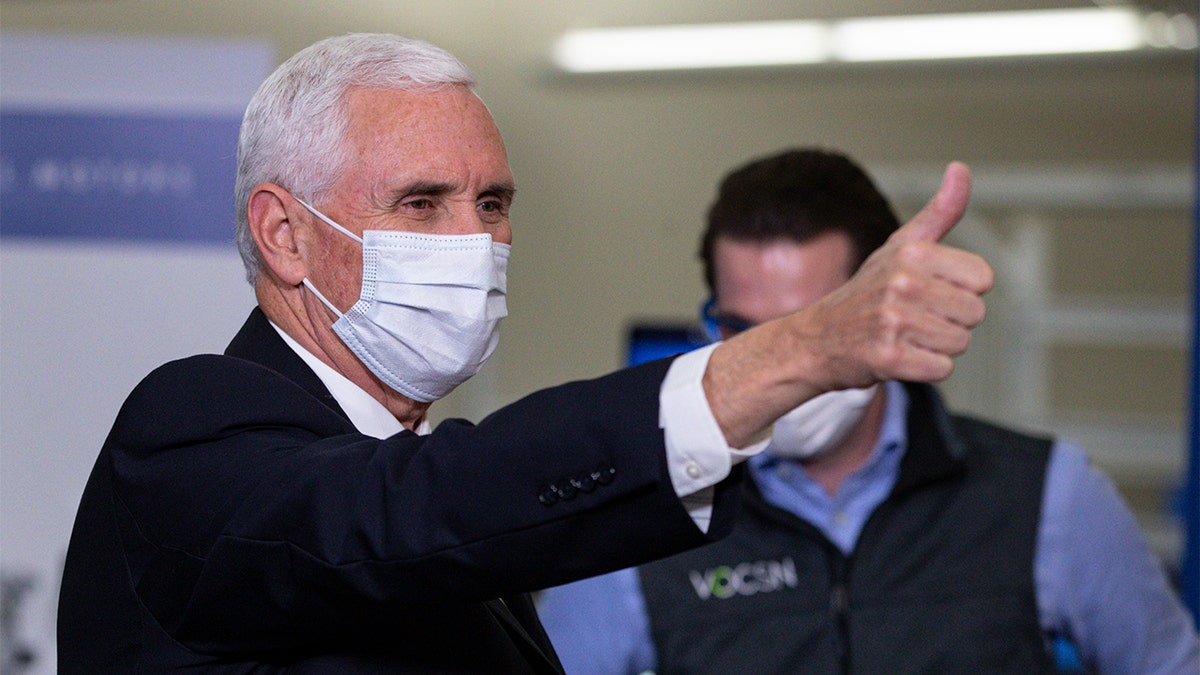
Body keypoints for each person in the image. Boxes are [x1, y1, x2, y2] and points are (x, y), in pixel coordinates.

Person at [56, 35, 994, 673]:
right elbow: (406, 513)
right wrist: (802, 347)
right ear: (285, 235)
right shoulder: (194, 429)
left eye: (493, 204)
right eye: (422, 204)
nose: (474, 242)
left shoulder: (429, 495)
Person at [535, 148, 1200, 674]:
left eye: (815, 324)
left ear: (886, 311)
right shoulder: (644, 528)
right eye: (745, 328)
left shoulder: (1046, 495)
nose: (783, 359)